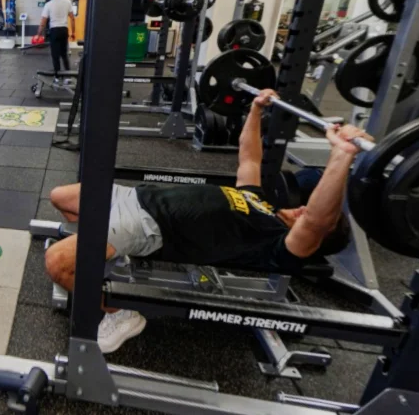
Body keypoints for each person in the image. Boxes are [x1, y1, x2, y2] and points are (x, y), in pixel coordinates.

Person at [43, 88, 367, 353]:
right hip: (135, 196)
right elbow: (249, 157)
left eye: (308, 219)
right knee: (61, 197)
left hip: (148, 226)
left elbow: (316, 221)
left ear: (314, 240)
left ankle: (119, 311)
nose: (302, 210)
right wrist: (255, 110)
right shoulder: (260, 203)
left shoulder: (277, 245)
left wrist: (341, 154)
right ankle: (104, 255)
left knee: (57, 262)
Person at [37, 0, 76, 75]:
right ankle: (68, 76)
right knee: (64, 54)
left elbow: (43, 21)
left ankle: (57, 77)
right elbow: (72, 18)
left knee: (55, 55)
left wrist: (38, 34)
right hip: (64, 30)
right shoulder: (68, 2)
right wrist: (73, 32)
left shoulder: (48, 4)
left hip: (54, 31)